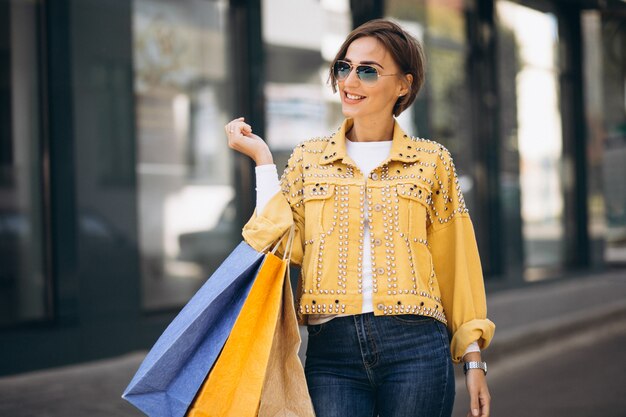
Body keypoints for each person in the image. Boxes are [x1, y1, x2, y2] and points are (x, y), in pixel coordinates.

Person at [225, 18, 495, 417]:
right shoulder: (308, 158)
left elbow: (457, 263)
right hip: (332, 351)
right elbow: (279, 246)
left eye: (367, 70)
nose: (350, 80)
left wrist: (473, 359)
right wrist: (263, 162)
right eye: (343, 67)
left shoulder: (431, 161)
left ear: (403, 84)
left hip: (416, 347)